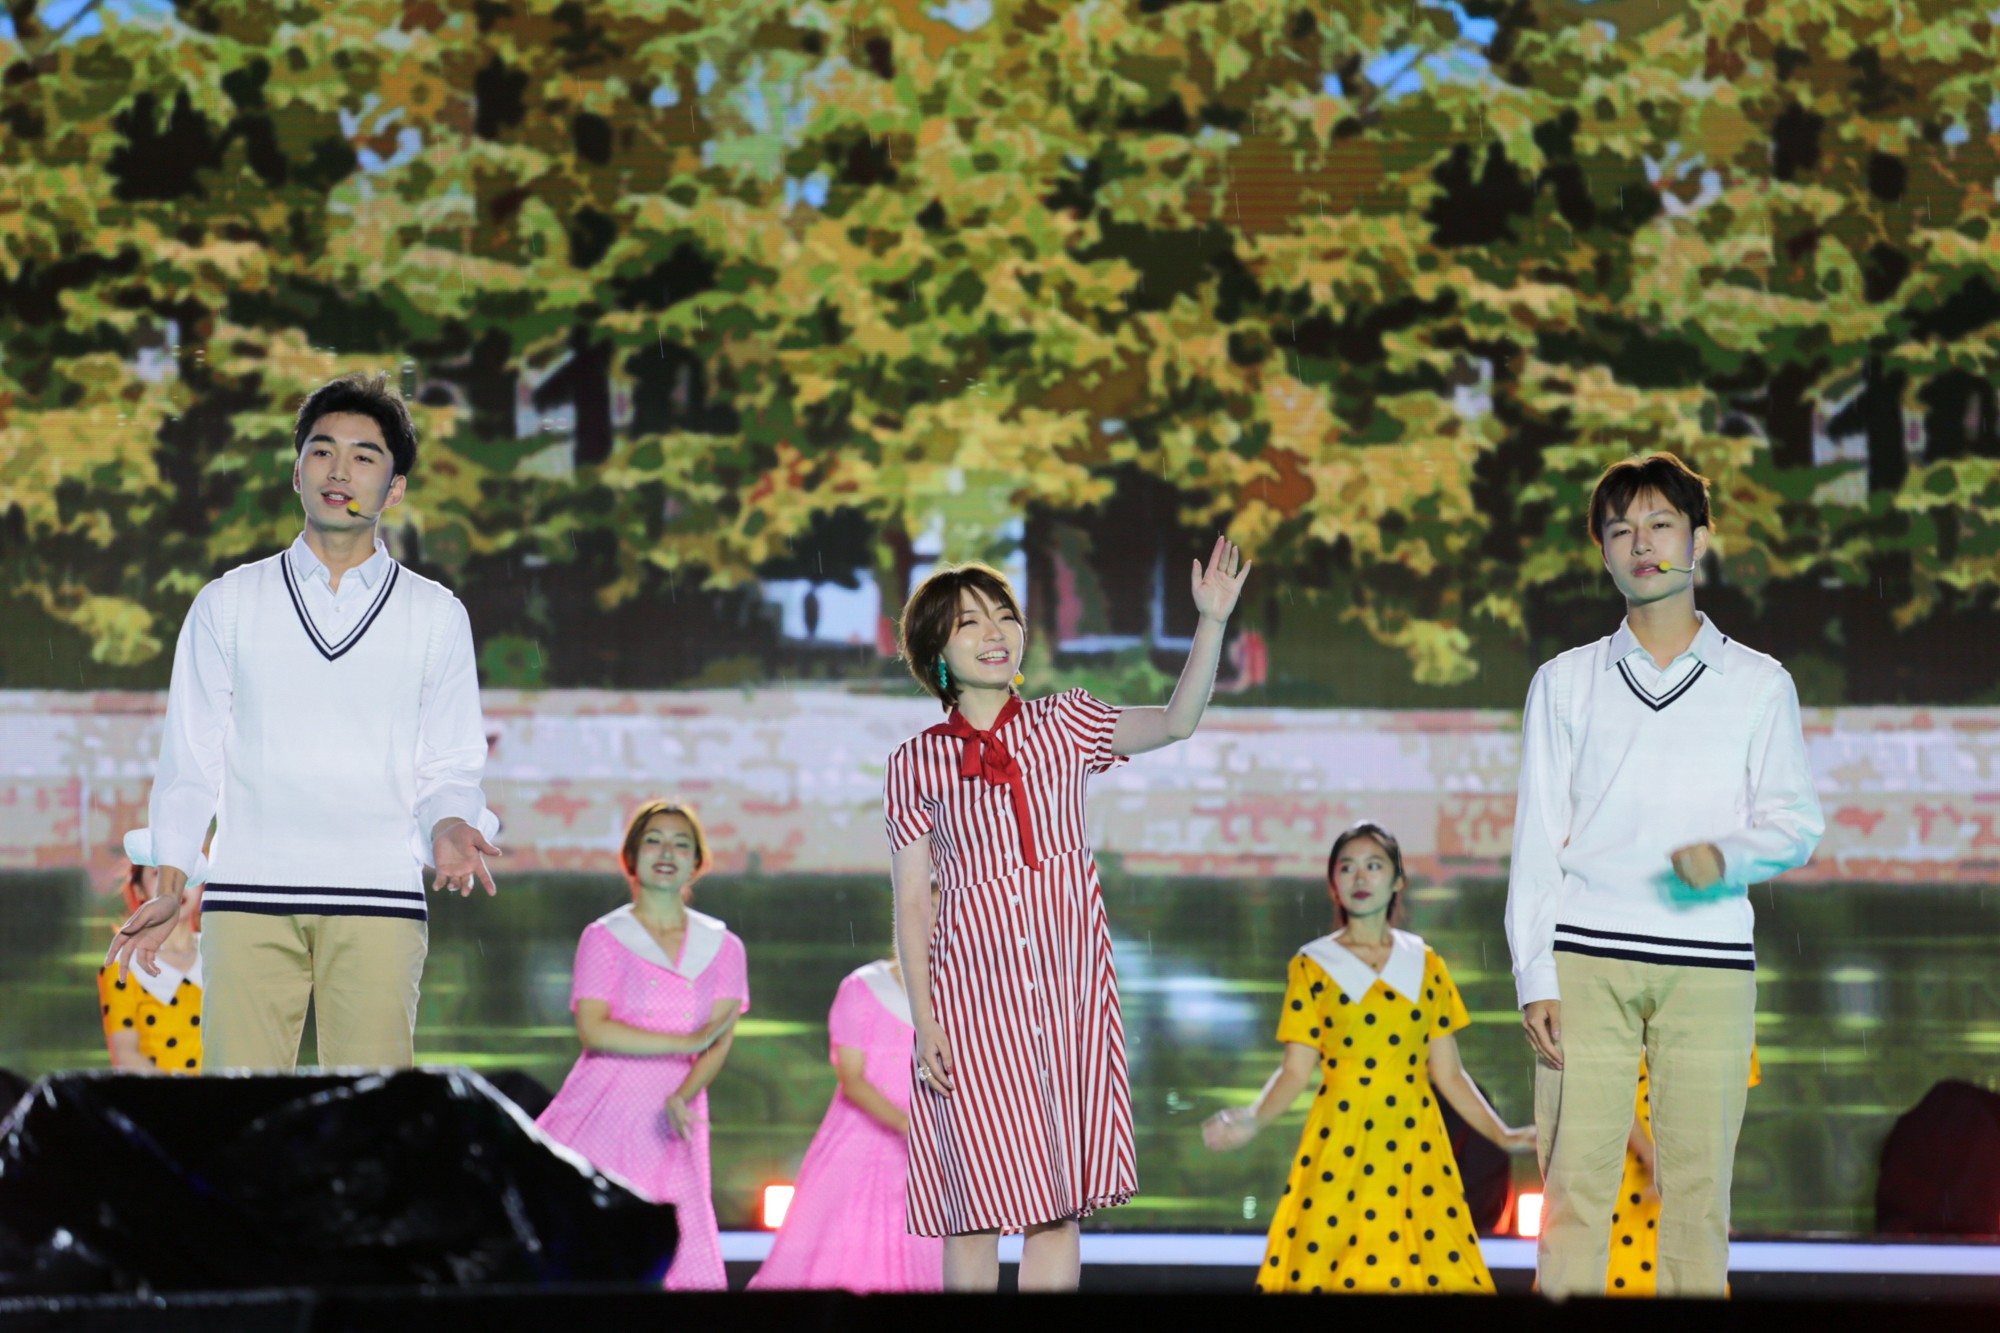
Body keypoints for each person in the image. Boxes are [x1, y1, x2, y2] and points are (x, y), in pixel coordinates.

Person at [106, 371, 502, 1071]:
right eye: (322, 451)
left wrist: (449, 825)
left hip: (379, 896)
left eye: (363, 456)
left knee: (374, 1115)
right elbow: (190, 762)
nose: (338, 471)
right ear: (297, 473)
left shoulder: (435, 614)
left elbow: (450, 763)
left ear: (395, 488)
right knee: (240, 1113)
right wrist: (171, 889)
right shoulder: (229, 603)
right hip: (248, 897)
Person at [885, 537, 1252, 1293]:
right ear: (936, 651)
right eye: (968, 622)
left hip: (1067, 999)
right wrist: (925, 1019)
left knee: (1055, 1209)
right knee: (972, 1210)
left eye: (1003, 615)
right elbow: (914, 901)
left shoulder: (1064, 722)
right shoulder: (916, 762)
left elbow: (1175, 722)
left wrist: (1211, 622)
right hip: (971, 1004)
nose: (995, 632)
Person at [1504, 452, 1824, 1298]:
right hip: (1585, 958)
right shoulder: (1564, 682)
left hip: (1709, 962)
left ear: (1699, 540)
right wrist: (1535, 973)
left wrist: (1727, 857)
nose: (1642, 544)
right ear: (1603, 552)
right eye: (1621, 530)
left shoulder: (1758, 683)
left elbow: (1797, 824)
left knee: (1697, 1197)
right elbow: (1536, 840)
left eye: (1661, 525)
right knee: (1573, 1194)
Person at [1202, 821, 1534, 1293]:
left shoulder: (1426, 963)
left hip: (1415, 1143)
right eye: (1347, 867)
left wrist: (1504, 1134)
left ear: (1398, 881)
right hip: (1341, 1137)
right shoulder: (1312, 964)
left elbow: (1450, 1074)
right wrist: (1254, 1117)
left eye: (1374, 866)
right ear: (1332, 884)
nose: (1360, 877)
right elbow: (1295, 1070)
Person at [535, 800, 749, 1292]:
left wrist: (683, 1093)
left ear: (697, 862)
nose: (666, 852)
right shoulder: (604, 936)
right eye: (654, 841)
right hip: (605, 1103)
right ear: (631, 857)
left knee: (679, 1248)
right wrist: (686, 1041)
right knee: (598, 1243)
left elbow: (718, 1040)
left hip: (676, 1110)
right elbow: (594, 1030)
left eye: (681, 844)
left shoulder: (724, 945)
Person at [748, 957, 942, 1292]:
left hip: (930, 1149)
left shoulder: (960, 992)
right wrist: (908, 1127)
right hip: (858, 1146)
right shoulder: (862, 986)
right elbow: (852, 1079)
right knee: (837, 1256)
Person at [1606, 1050, 1761, 1296]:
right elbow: (1605, 1087)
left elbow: (1728, 1101)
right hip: (1630, 1163)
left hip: (1688, 1167)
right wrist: (1651, 1157)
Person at [97, 861, 205, 1074]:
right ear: (139, 890)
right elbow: (125, 1056)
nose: (177, 885)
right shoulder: (125, 966)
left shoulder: (219, 955)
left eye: (187, 873)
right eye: (160, 874)